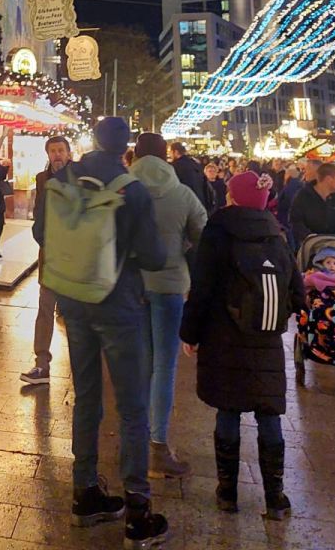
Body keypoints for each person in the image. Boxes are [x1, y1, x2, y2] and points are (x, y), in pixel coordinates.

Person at [36, 116, 169, 546]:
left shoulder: (64, 178)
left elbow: (40, 231)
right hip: (118, 305)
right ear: (125, 148)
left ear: (93, 141)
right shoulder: (132, 189)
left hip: (73, 300)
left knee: (86, 396)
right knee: (132, 408)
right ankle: (138, 512)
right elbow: (153, 257)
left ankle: (85, 493)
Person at [180, 170, 305, 521]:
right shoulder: (277, 236)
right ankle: (275, 498)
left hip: (224, 338)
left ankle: (227, 493)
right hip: (266, 342)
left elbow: (202, 289)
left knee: (228, 411)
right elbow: (297, 293)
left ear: (233, 197)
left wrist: (190, 333)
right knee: (269, 413)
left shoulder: (217, 232)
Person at [130, 132, 207, 479]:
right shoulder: (182, 193)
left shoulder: (122, 190)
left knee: (139, 364)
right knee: (165, 366)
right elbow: (203, 234)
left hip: (132, 286)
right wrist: (182, 246)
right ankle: (157, 447)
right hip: (170, 285)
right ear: (166, 158)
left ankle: (135, 442)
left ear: (135, 156)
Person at [21, 134, 73, 386]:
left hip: (74, 256)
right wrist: (41, 238)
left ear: (69, 153)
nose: (57, 155)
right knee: (45, 307)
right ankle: (41, 363)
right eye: (53, 151)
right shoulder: (42, 179)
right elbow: (38, 212)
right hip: (50, 254)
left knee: (74, 313)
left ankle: (82, 366)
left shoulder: (79, 178)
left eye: (61, 150)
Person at [289, 161, 335, 245]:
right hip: (311, 245)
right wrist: (307, 236)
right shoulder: (303, 195)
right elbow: (295, 220)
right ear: (328, 179)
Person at [169, 140, 210, 208]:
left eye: (170, 152)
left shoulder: (175, 166)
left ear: (175, 152)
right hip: (200, 202)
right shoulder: (196, 164)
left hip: (184, 203)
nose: (170, 155)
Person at [275, 163, 303, 249]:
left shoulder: (290, 186)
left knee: (290, 235)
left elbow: (285, 200)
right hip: (297, 216)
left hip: (286, 215)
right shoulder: (301, 185)